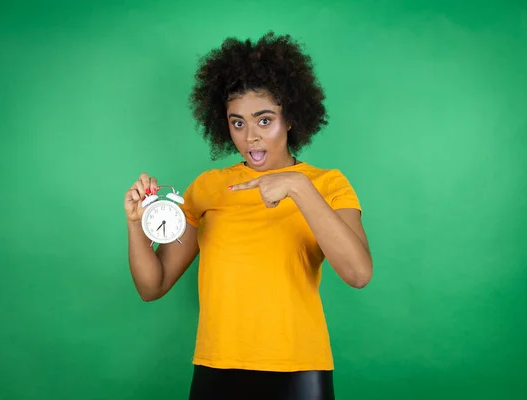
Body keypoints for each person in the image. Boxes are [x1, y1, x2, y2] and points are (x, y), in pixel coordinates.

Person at [124, 32, 373, 400]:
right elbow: (152, 286)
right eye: (237, 123)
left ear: (291, 118)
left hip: (299, 371)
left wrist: (298, 187)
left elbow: (358, 273)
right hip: (216, 369)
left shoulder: (328, 184)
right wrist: (135, 225)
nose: (251, 137)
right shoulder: (207, 189)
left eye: (264, 120)